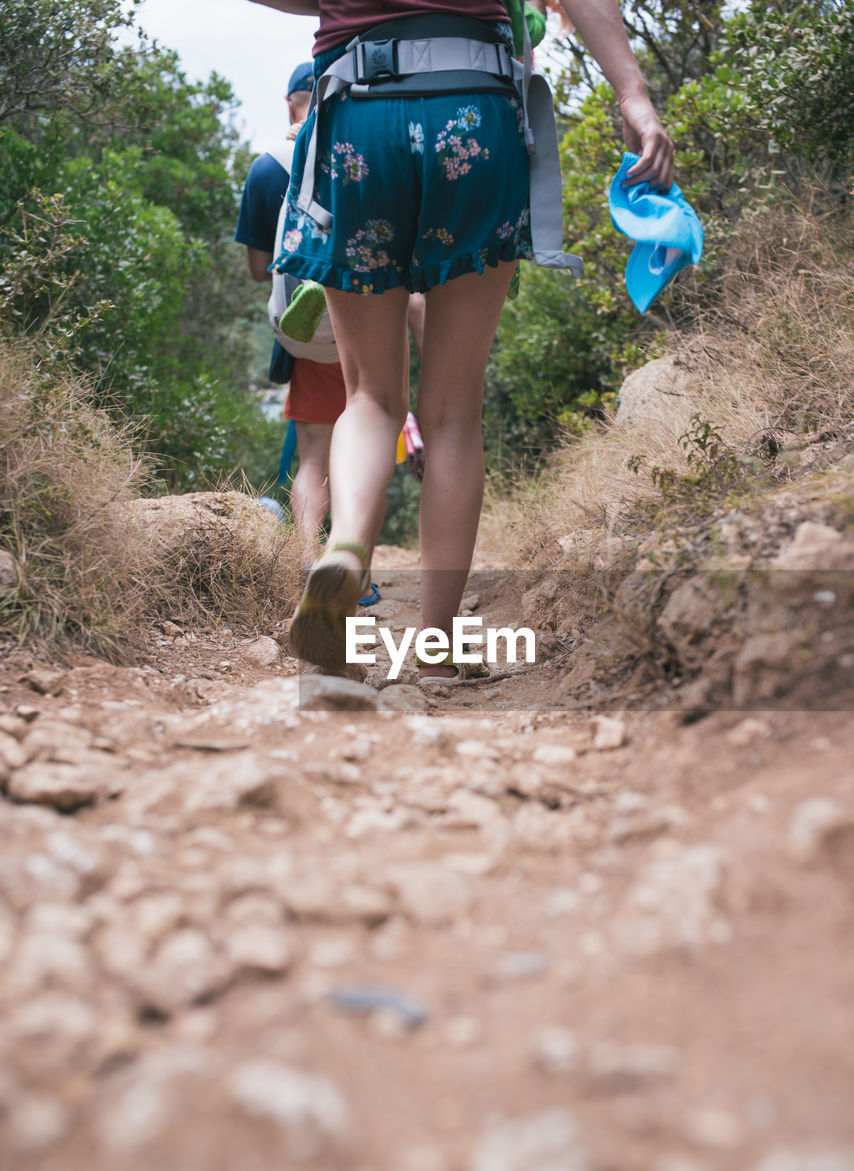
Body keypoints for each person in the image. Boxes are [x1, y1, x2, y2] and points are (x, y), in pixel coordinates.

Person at [249, 0, 674, 677]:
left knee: (369, 399)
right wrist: (635, 94)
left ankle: (346, 551)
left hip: (357, 113)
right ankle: (435, 646)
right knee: (451, 413)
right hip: (472, 111)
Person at [235, 61, 347, 554]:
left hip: (310, 330)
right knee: (365, 444)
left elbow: (261, 269)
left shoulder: (267, 166)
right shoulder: (361, 151)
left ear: (291, 101)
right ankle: (355, 572)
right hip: (374, 315)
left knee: (314, 458)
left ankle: (306, 559)